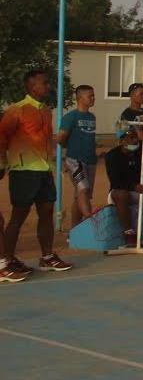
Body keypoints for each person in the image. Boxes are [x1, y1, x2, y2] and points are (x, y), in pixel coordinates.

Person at [0, 70, 72, 282]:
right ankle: (8, 259)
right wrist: (2, 163)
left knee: (47, 210)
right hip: (23, 170)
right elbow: (1, 137)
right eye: (45, 83)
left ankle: (47, 256)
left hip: (43, 170)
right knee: (19, 215)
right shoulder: (17, 110)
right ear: (32, 87)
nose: (48, 86)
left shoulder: (47, 111)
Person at [57, 84, 99, 224]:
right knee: (83, 187)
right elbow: (61, 137)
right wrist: (68, 151)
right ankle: (88, 219)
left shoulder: (92, 117)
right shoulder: (71, 117)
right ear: (80, 98)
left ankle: (75, 230)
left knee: (82, 195)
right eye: (90, 96)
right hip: (75, 159)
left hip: (90, 160)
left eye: (93, 95)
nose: (93, 98)